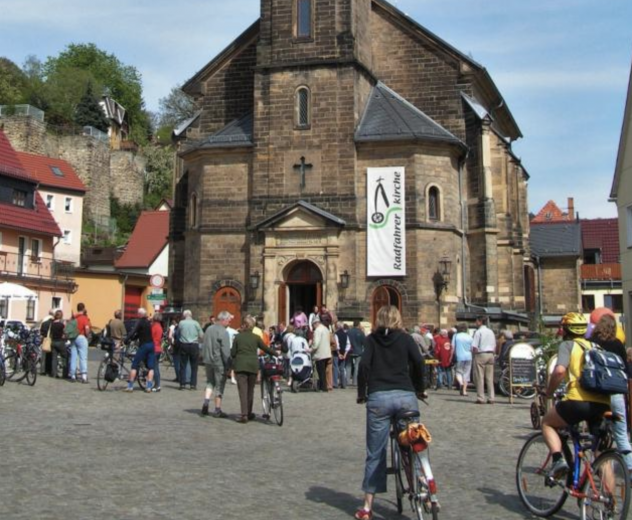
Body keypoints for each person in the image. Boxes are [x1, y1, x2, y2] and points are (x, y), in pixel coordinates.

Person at [355, 306, 426, 520]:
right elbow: (419, 362)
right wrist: (419, 388)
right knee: (412, 441)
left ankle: (367, 507)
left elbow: (363, 367)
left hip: (379, 399)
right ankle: (422, 478)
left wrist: (361, 393)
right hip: (406, 397)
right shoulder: (405, 339)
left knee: (375, 453)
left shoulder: (372, 340)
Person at [541, 312, 611, 479]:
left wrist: (549, 392)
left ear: (565, 330)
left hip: (578, 400)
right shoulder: (596, 347)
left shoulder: (568, 345)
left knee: (547, 423)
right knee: (601, 454)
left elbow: (559, 371)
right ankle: (611, 502)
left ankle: (558, 460)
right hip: (603, 403)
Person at [590, 314, 632, 471]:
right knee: (621, 434)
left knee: (595, 434)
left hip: (597, 395)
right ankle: (630, 469)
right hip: (616, 393)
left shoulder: (591, 343)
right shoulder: (618, 345)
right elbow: (626, 371)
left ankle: (598, 466)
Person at [231, 316, 278, 423]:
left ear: (245, 325)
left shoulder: (238, 337)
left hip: (241, 366)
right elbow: (265, 348)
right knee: (250, 391)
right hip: (253, 366)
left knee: (243, 391)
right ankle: (249, 412)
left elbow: (233, 353)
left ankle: (244, 415)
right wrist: (275, 353)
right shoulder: (256, 338)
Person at [201, 311, 232, 418]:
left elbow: (203, 343)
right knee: (219, 385)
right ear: (223, 320)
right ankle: (217, 409)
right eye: (228, 320)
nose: (229, 323)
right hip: (219, 362)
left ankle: (206, 402)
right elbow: (225, 351)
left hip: (208, 360)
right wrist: (228, 365)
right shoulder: (224, 332)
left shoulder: (209, 329)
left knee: (210, 382)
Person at [124, 308, 156, 393]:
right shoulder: (149, 322)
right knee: (151, 367)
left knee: (135, 365)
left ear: (140, 314)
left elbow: (133, 331)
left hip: (144, 345)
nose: (137, 315)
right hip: (152, 345)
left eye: (138, 314)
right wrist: (134, 338)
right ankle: (149, 387)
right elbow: (140, 333)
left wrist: (127, 339)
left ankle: (130, 386)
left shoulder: (140, 321)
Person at [471, 316, 496, 404]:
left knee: (479, 377)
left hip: (481, 354)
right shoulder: (491, 331)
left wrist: (474, 355)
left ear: (480, 322)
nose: (475, 323)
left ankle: (481, 397)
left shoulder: (478, 332)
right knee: (489, 378)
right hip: (490, 354)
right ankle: (491, 397)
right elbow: (494, 345)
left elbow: (474, 346)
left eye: (476, 321)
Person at [178, 310, 203, 390]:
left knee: (183, 365)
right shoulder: (196, 323)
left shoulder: (181, 323)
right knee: (194, 366)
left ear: (184, 315)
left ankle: (182, 384)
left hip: (184, 345)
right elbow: (201, 335)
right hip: (194, 345)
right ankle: (193, 385)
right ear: (191, 315)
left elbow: (178, 333)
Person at [69, 303, 91, 383]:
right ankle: (84, 376)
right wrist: (88, 335)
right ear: (83, 308)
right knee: (83, 357)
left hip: (73, 338)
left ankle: (72, 375)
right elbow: (87, 329)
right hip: (81, 337)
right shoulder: (84, 318)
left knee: (73, 356)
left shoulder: (73, 317)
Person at [311, 316, 332, 392]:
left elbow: (316, 344)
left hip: (320, 354)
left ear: (315, 323)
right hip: (327, 353)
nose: (313, 327)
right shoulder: (326, 329)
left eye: (313, 325)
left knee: (321, 372)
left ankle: (323, 387)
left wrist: (311, 349)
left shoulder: (318, 330)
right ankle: (324, 386)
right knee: (324, 371)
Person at [452, 323, 473, 396]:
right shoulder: (469, 337)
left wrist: (451, 356)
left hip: (459, 356)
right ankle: (464, 391)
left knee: (458, 372)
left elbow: (453, 347)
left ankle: (460, 384)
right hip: (469, 357)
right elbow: (472, 348)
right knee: (466, 374)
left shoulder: (456, 336)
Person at [49, 310, 67, 379]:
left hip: (53, 342)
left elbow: (51, 333)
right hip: (60, 342)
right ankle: (64, 373)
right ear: (61, 316)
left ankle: (54, 373)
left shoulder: (52, 324)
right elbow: (65, 333)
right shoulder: (62, 324)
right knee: (64, 357)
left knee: (54, 358)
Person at [347, 320, 366, 386]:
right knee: (356, 366)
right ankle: (355, 382)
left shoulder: (348, 332)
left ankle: (347, 381)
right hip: (358, 351)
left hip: (349, 351)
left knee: (348, 366)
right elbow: (364, 342)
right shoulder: (361, 332)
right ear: (358, 325)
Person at [335, 322, 351, 389]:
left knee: (335, 368)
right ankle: (343, 384)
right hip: (344, 353)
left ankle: (335, 383)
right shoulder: (346, 335)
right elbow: (348, 345)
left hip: (337, 353)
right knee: (342, 369)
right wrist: (345, 354)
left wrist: (338, 353)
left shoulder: (336, 334)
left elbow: (336, 345)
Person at [39, 309, 55, 375]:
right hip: (52, 340)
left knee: (44, 356)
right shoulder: (54, 323)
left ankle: (43, 370)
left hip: (45, 340)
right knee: (51, 356)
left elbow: (41, 332)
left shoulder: (44, 323)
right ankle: (50, 370)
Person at [151, 313, 163, 392]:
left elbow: (150, 336)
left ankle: (157, 384)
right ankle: (157, 384)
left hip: (154, 348)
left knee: (154, 367)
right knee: (156, 367)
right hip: (158, 348)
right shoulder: (160, 327)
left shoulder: (154, 327)